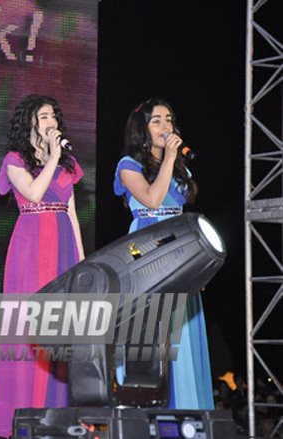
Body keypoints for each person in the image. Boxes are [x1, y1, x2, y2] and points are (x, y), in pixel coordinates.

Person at [0, 95, 85, 438]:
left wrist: (83, 264)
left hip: (63, 246)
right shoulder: (15, 160)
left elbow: (71, 213)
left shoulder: (66, 163)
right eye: (44, 115)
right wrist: (53, 157)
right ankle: (22, 413)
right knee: (29, 331)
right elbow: (32, 193)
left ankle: (61, 413)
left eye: (54, 115)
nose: (52, 121)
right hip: (31, 247)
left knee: (64, 329)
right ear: (30, 122)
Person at [113, 97, 212, 409]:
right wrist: (170, 157)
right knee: (152, 328)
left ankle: (185, 409)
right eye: (157, 120)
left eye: (169, 119)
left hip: (179, 245)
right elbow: (153, 201)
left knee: (180, 327)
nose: (165, 126)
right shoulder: (127, 166)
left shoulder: (177, 168)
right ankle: (146, 404)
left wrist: (198, 264)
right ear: (142, 129)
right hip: (148, 245)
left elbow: (181, 212)